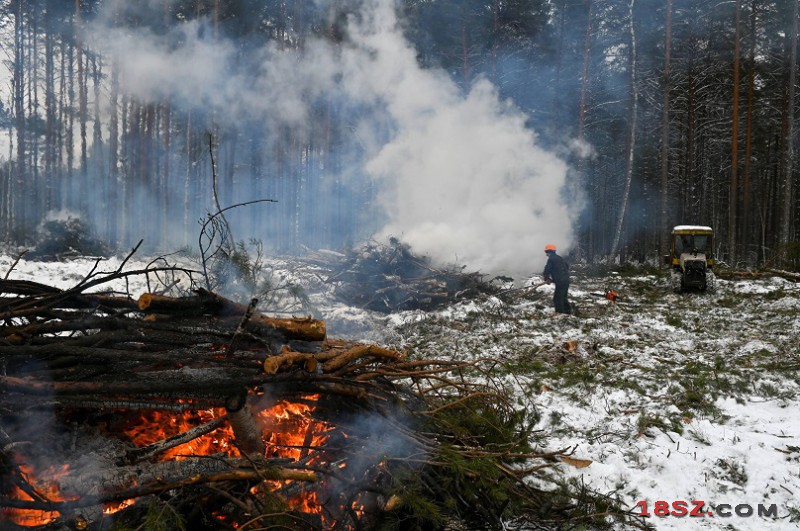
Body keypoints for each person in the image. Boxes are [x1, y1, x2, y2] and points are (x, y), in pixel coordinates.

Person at [542, 243, 571, 315]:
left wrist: (546, 278)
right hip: (566, 280)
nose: (546, 254)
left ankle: (559, 313)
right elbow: (566, 267)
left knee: (557, 298)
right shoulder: (560, 258)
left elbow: (547, 269)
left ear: (549, 252)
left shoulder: (551, 259)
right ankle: (567, 312)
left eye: (546, 252)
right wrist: (556, 278)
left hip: (560, 282)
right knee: (563, 297)